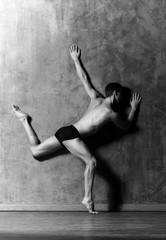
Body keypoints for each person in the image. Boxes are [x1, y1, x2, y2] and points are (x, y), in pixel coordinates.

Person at [12, 44, 142, 214]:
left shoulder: (95, 98)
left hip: (67, 130)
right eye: (122, 95)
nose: (124, 98)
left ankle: (24, 120)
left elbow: (84, 79)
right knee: (92, 162)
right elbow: (126, 126)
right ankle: (87, 198)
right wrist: (133, 109)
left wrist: (76, 59)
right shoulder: (111, 113)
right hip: (73, 135)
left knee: (36, 152)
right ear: (116, 93)